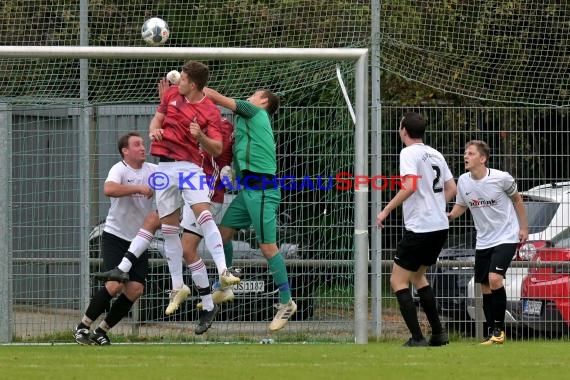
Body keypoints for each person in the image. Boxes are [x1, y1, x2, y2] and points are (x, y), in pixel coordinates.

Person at [203, 86, 296, 331]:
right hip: (248, 191)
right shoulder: (244, 124)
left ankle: (286, 302)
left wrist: (190, 83)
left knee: (267, 247)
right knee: (222, 234)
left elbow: (217, 98)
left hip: (263, 189)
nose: (249, 96)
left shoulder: (255, 112)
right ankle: (225, 285)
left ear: (263, 101)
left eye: (254, 94)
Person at [376, 112, 457, 347]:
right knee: (419, 276)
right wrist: (436, 206)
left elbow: (410, 186)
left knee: (397, 281)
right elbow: (451, 187)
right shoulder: (435, 153)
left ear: (403, 130)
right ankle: (439, 333)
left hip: (420, 228)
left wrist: (386, 210)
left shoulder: (408, 152)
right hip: (440, 226)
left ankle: (417, 337)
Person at [75, 132, 159, 345]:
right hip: (115, 236)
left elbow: (178, 178)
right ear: (125, 151)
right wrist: (138, 188)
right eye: (137, 144)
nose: (143, 147)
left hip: (139, 240)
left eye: (143, 143)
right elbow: (109, 189)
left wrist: (214, 179)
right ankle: (82, 327)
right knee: (115, 284)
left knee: (135, 288)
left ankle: (101, 331)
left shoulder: (153, 170)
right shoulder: (119, 169)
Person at [447, 140, 528, 345]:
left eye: (471, 153)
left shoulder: (501, 179)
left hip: (506, 237)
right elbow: (460, 206)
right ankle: (493, 332)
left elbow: (517, 200)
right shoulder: (464, 181)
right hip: (483, 240)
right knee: (483, 286)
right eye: (465, 153)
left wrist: (524, 228)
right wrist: (446, 216)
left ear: (482, 159)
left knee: (494, 279)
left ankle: (499, 330)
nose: (466, 156)